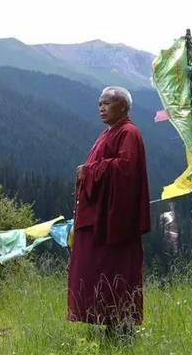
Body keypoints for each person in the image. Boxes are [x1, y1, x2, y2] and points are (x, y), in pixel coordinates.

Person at [67, 86, 151, 337]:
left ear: (122, 107)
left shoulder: (129, 133)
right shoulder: (109, 132)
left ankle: (120, 326)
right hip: (99, 217)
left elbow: (126, 170)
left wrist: (89, 171)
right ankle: (106, 321)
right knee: (95, 269)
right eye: (99, 104)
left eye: (107, 103)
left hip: (115, 222)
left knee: (115, 269)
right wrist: (90, 170)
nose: (101, 108)